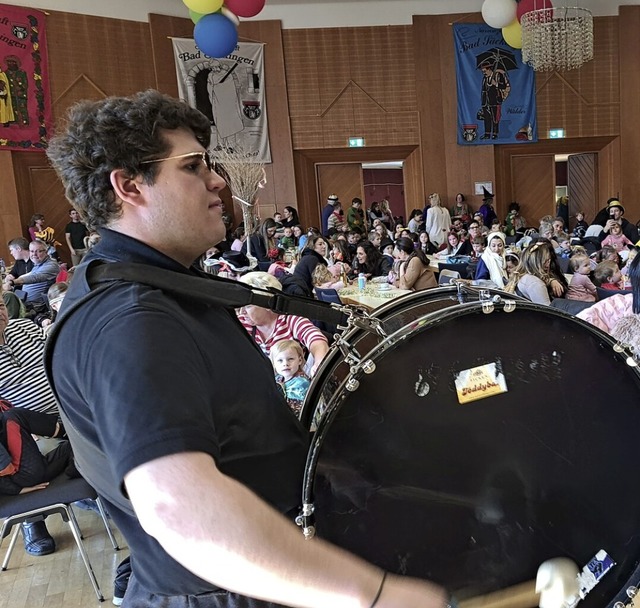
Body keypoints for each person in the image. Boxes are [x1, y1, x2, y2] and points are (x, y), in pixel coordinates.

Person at [45, 91, 448, 608]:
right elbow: (176, 505)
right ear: (128, 186)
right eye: (192, 167)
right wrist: (372, 595)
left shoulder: (166, 291)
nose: (218, 181)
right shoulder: (133, 320)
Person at [577, 252, 640, 338]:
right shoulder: (622, 301)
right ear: (609, 279)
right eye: (617, 271)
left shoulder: (614, 297)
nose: (620, 273)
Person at [4, 241, 59, 311]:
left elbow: (34, 278)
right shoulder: (38, 263)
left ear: (46, 252)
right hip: (26, 303)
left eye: (39, 251)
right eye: (32, 251)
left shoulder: (51, 265)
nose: (34, 254)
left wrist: (12, 282)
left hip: (37, 306)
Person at [270, 339, 311, 417]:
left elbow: (296, 412)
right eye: (280, 360)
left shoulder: (301, 383)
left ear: (299, 360)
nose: (285, 364)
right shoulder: (278, 378)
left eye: (290, 359)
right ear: (274, 363)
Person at [478, 60, 510, 140]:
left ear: (489, 69)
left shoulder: (497, 75)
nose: (484, 73)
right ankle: (487, 134)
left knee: (495, 118)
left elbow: (503, 86)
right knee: (487, 118)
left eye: (485, 71)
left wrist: (495, 83)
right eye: (483, 71)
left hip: (495, 100)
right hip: (486, 101)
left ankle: (495, 134)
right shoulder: (484, 78)